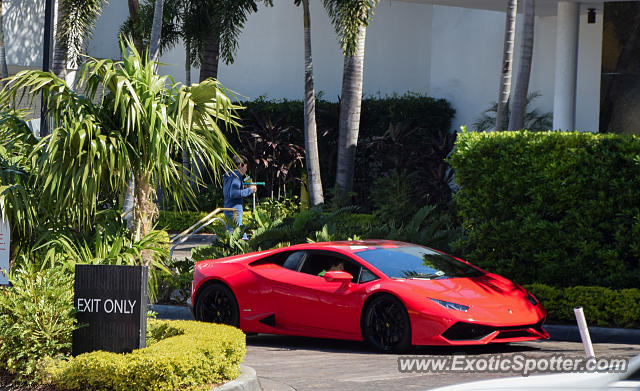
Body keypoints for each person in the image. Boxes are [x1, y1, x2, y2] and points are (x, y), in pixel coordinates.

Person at [222, 155, 256, 233]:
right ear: (240, 165)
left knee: (231, 234)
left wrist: (244, 187)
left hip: (228, 207)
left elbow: (229, 191)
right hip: (234, 210)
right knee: (236, 234)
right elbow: (233, 193)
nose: (246, 170)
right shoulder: (236, 177)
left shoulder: (229, 175)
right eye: (246, 167)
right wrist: (250, 190)